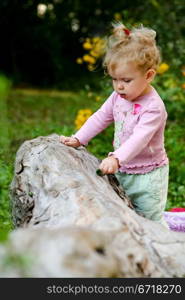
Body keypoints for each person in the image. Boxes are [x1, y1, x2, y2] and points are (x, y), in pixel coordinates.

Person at [60, 23, 169, 227]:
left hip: (148, 177)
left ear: (149, 76)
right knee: (123, 211)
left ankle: (166, 251)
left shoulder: (153, 107)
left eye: (126, 80)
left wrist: (117, 158)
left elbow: (139, 139)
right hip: (122, 168)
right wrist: (79, 138)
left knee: (149, 220)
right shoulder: (118, 96)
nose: (119, 86)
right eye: (115, 79)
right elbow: (101, 116)